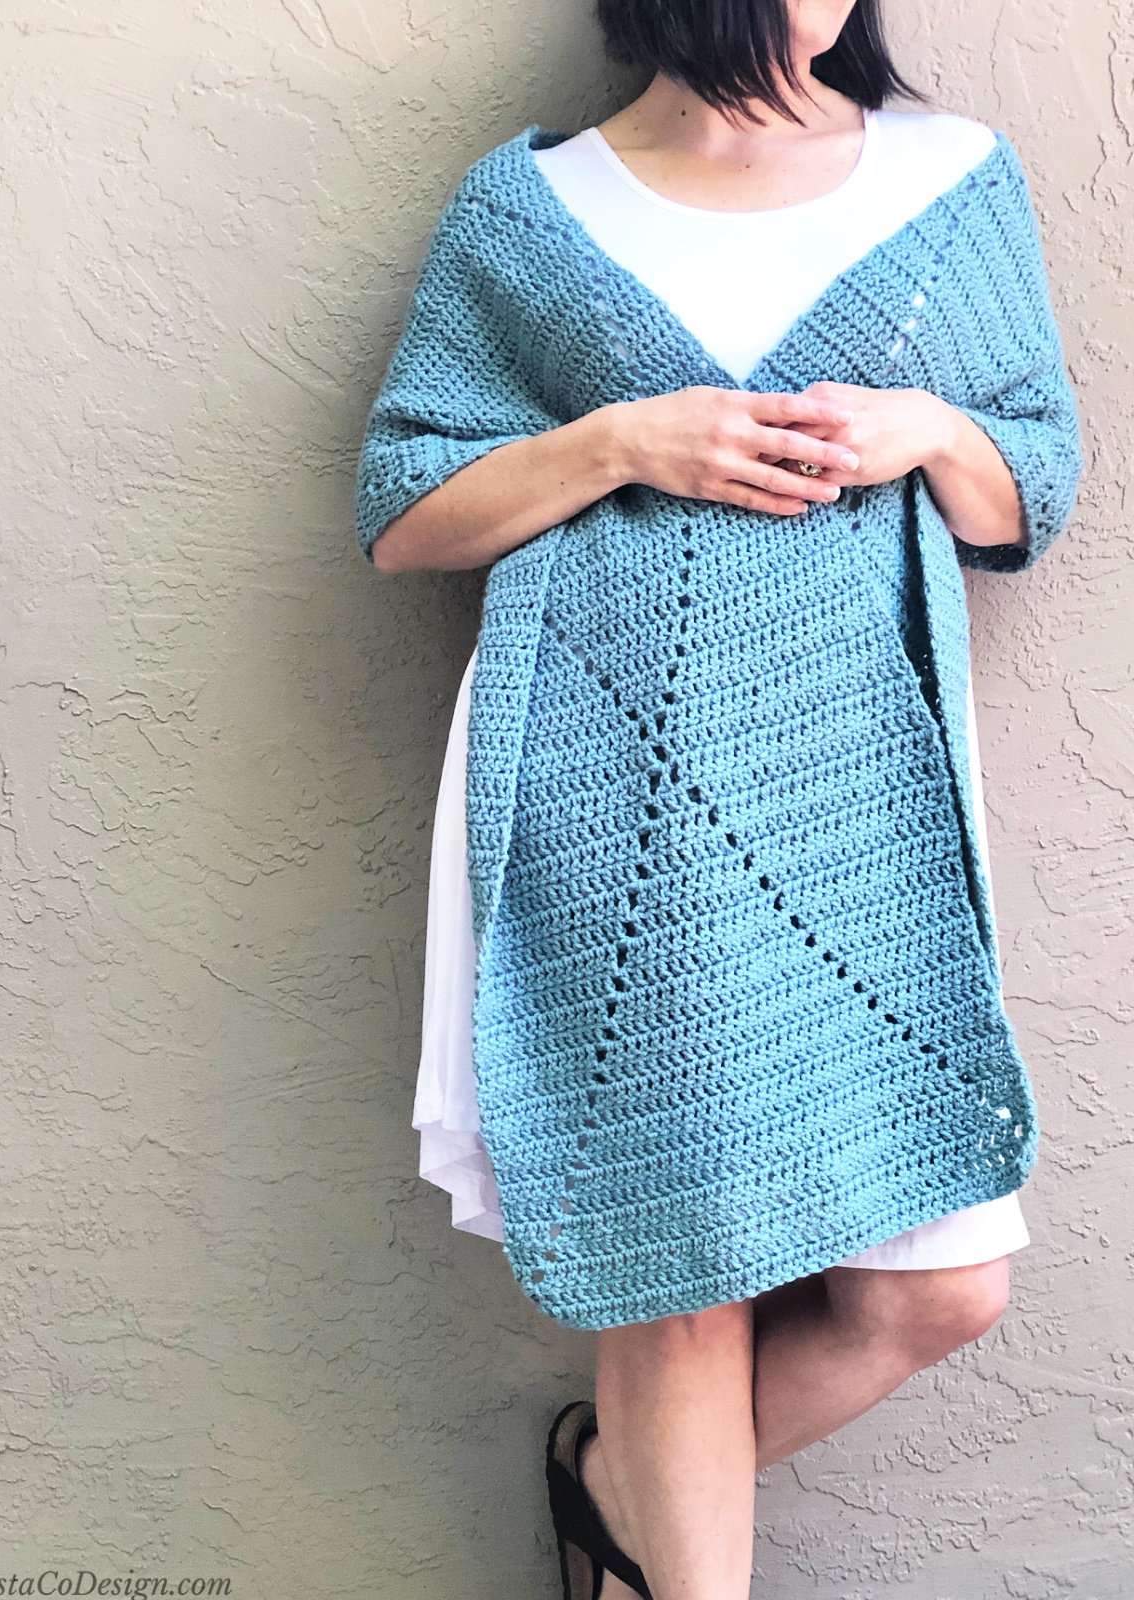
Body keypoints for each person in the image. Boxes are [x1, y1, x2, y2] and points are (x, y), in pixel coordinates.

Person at [354, 3, 1084, 1595]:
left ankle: (615, 1484)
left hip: (859, 808)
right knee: (679, 1282)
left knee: (938, 1290)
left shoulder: (950, 181)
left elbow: (1037, 477)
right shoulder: (535, 204)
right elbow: (407, 508)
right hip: (602, 796)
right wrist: (620, 439)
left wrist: (930, 428)